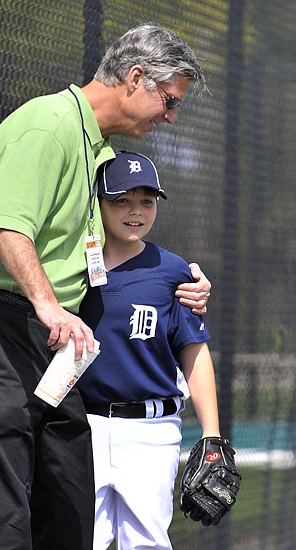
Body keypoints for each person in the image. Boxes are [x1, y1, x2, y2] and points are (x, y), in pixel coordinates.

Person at [0, 24, 211, 550]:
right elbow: (7, 224)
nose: (172, 116)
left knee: (67, 505)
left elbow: (117, 251)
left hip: (50, 344)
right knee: (1, 517)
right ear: (136, 78)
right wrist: (47, 304)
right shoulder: (49, 123)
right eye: (170, 100)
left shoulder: (99, 151)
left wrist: (185, 284)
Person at [77, 151, 221, 550]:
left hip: (151, 432)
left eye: (147, 201)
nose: (135, 211)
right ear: (99, 203)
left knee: (147, 542)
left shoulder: (173, 271)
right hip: (82, 425)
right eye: (121, 200)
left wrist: (211, 435)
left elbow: (194, 351)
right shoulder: (72, 264)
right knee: (79, 538)